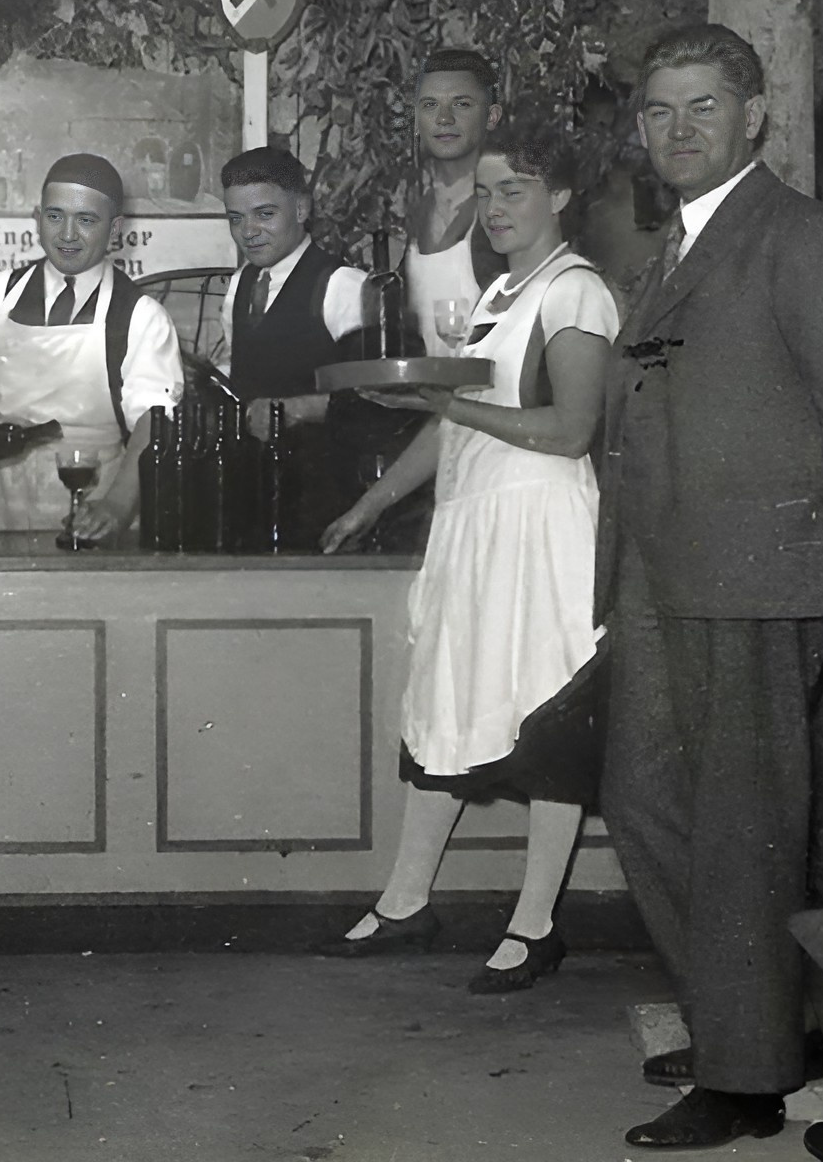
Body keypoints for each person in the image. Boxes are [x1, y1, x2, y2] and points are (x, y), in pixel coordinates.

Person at [597, 25, 823, 1151]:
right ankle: (758, 1022)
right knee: (644, 798)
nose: (678, 129)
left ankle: (746, 1073)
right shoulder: (673, 245)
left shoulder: (807, 237)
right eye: (660, 110)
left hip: (761, 567)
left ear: (755, 115)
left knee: (741, 823)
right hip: (663, 566)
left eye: (704, 106)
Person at [317, 120, 616, 992]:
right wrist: (372, 503)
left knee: (543, 715)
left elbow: (571, 429)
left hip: (542, 529)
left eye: (514, 189)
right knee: (448, 704)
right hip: (475, 525)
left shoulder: (577, 292)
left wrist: (443, 402)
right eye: (484, 192)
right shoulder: (497, 296)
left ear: (561, 196)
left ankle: (535, 924)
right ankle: (406, 902)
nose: (494, 207)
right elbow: (453, 429)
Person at [0, 153, 183, 539]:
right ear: (36, 218)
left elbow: (155, 422)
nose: (67, 234)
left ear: (115, 230)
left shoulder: (141, 316)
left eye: (86, 220)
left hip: (92, 508)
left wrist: (116, 505)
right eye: (55, 216)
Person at [209, 147, 368, 548]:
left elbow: (373, 401)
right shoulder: (240, 286)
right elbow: (241, 370)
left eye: (264, 214)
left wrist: (292, 409)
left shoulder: (342, 286)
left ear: (300, 209)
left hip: (324, 496)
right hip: (255, 492)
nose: (248, 231)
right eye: (235, 218)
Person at [402, 49, 507, 352]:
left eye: (461, 104)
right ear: (417, 120)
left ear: (491, 117)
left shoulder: (507, 209)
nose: (444, 118)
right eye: (430, 105)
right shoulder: (420, 211)